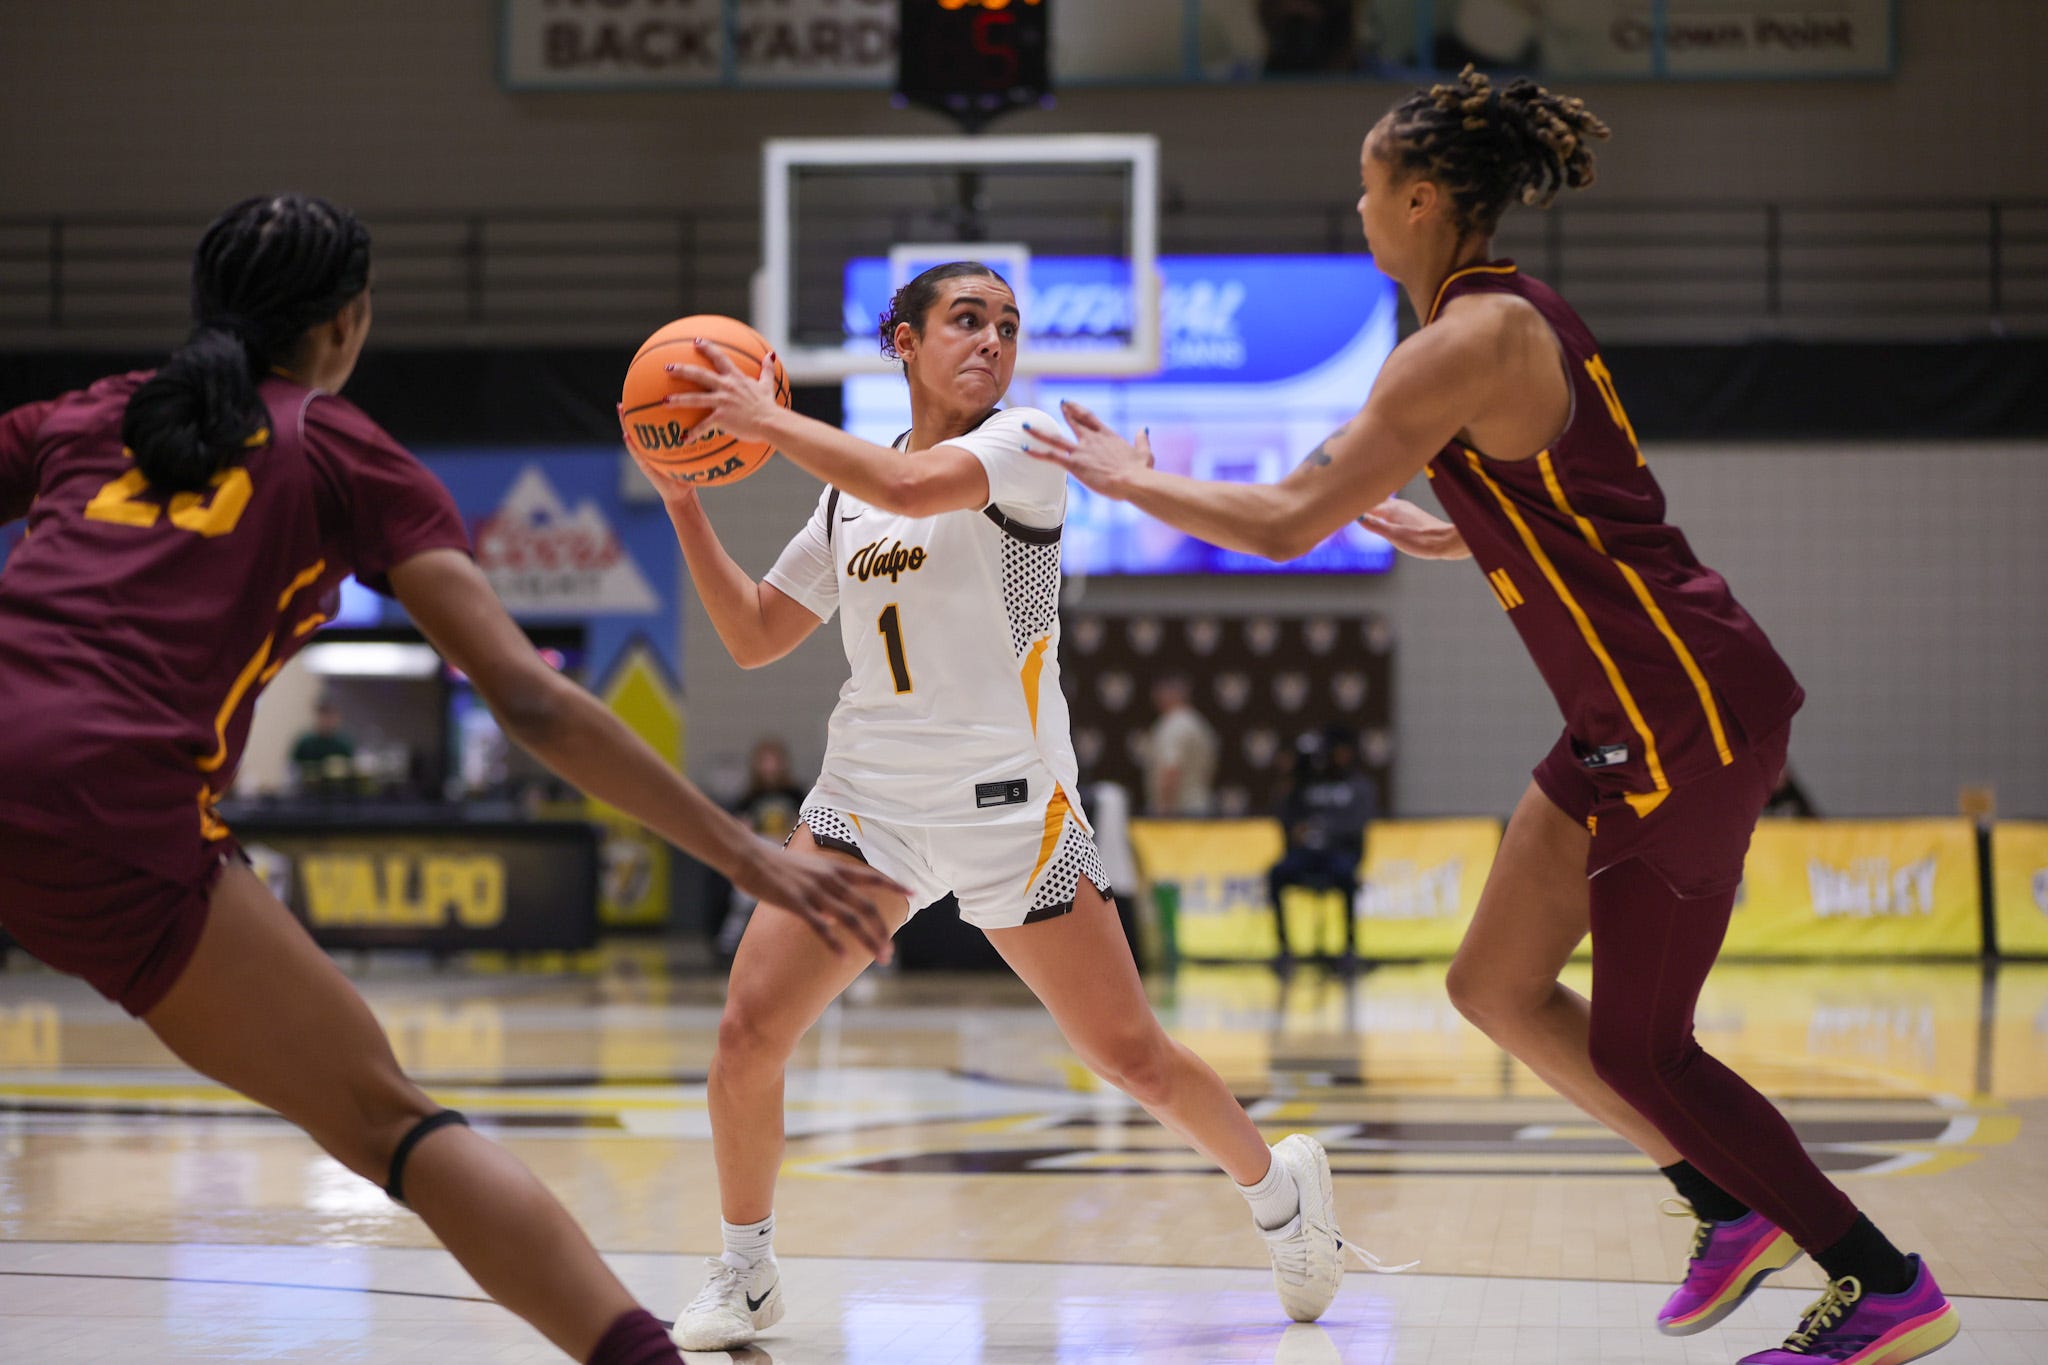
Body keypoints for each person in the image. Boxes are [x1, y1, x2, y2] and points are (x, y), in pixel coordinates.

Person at [1022, 69, 1959, 1365]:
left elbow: (1288, 521)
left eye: (1366, 189)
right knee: (1494, 986)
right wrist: (1472, 529)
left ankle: (1879, 1278)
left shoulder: (1461, 341)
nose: (1358, 210)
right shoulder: (1514, 316)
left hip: (1681, 709)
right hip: (1626, 710)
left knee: (1644, 1050)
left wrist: (1131, 478)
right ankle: (1724, 1204)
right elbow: (1586, 493)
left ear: (1418, 199)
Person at [0, 194, 900, 1365]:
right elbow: (531, 700)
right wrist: (742, 854)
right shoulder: (342, 451)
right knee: (395, 1126)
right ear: (347, 323)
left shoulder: (90, 412)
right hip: (110, 811)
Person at [638, 261, 1392, 1352]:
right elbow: (755, 634)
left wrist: (766, 420)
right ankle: (747, 1271)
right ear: (904, 342)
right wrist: (681, 504)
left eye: (1006, 325)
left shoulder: (1024, 444)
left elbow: (912, 490)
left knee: (1129, 1055)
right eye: (965, 320)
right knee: (748, 1032)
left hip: (1010, 808)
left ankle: (1281, 1191)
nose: (992, 340)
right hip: (866, 804)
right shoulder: (844, 493)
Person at [1268, 727, 1377, 967]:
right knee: (1276, 873)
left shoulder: (1357, 785)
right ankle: (1284, 950)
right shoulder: (1304, 782)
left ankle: (1349, 948)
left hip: (1338, 854)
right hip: (1306, 855)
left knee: (1345, 874)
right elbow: (1286, 820)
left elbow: (1358, 826)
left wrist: (1324, 829)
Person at [712, 737, 811, 960]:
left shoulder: (795, 794)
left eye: (773, 760)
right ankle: (730, 937)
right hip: (760, 851)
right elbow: (741, 827)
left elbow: (803, 824)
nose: (769, 766)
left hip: (787, 850)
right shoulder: (750, 797)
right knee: (745, 893)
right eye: (765, 761)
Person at [1144, 674, 1221, 816]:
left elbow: (1171, 769)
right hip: (1200, 805)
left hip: (1179, 812)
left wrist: (1164, 809)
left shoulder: (1174, 724)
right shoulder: (1197, 722)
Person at [290, 695, 357, 791]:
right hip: (307, 792)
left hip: (338, 793)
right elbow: (292, 771)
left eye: (331, 715)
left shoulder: (344, 744)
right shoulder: (305, 743)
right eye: (324, 715)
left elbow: (352, 771)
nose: (327, 720)